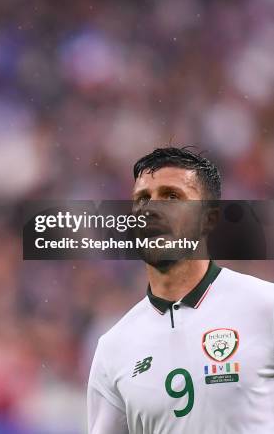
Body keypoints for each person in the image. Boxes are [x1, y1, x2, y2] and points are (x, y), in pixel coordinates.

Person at [87, 147, 274, 433]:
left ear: (209, 219)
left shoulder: (265, 306)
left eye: (172, 196)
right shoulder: (113, 348)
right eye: (142, 199)